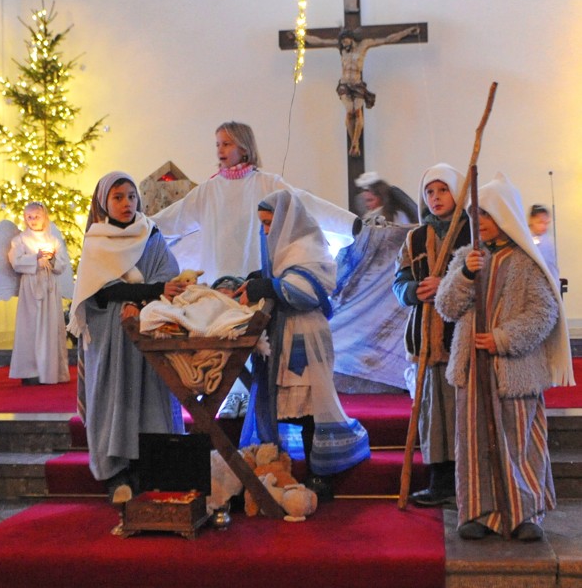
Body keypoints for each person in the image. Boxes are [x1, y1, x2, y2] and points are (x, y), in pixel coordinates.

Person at [152, 121, 359, 418]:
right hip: (219, 280)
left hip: (255, 279)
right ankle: (228, 396)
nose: (220, 150)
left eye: (227, 144)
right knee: (223, 340)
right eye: (217, 144)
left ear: (244, 147)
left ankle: (252, 397)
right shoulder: (208, 191)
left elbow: (303, 204)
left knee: (254, 341)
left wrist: (349, 223)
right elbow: (172, 218)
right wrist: (139, 227)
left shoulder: (267, 184)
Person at [436, 173, 574, 541]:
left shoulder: (527, 262)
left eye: (486, 213)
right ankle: (478, 511)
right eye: (475, 214)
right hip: (473, 369)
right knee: (475, 442)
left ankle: (524, 513)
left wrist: (502, 339)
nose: (478, 220)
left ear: (504, 214)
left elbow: (543, 313)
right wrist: (466, 274)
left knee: (518, 441)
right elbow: (446, 306)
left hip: (514, 368)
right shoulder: (466, 258)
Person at [237, 190, 370, 500]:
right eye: (262, 224)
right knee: (285, 405)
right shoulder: (282, 247)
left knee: (312, 408)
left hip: (306, 335)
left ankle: (320, 474)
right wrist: (255, 281)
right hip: (283, 335)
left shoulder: (309, 245)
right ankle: (279, 472)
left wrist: (266, 286)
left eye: (269, 223)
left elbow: (306, 292)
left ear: (286, 220)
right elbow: (277, 278)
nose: (265, 230)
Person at [67, 171, 187, 503]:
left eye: (131, 196)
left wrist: (140, 301)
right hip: (111, 337)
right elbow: (100, 292)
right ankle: (116, 473)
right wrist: (146, 292)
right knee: (114, 400)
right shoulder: (97, 241)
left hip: (149, 331)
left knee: (151, 399)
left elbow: (168, 275)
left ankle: (150, 466)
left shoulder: (151, 234)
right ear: (104, 202)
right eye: (118, 197)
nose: (126, 203)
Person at [392, 163, 470, 506]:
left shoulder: (472, 231)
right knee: (433, 411)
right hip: (425, 337)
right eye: (429, 192)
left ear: (457, 192)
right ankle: (440, 481)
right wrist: (413, 291)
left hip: (461, 336)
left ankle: (467, 480)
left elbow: (481, 281)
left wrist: (447, 285)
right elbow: (399, 280)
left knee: (460, 411)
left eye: (443, 190)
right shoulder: (416, 237)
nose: (435, 198)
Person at [305, 26, 420, 157]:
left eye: (345, 41)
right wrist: (302, 37)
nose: (343, 44)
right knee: (350, 111)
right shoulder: (341, 48)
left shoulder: (364, 45)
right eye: (342, 42)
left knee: (358, 112)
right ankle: (355, 144)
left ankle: (355, 144)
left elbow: (386, 39)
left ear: (351, 38)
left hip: (357, 84)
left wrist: (407, 32)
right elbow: (320, 41)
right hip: (344, 84)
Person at [4, 202, 71, 386]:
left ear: (44, 217)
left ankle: (52, 371)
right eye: (29, 217)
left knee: (50, 326)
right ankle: (31, 371)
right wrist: (35, 258)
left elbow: (62, 264)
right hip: (31, 287)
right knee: (31, 327)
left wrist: (52, 258)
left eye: (36, 216)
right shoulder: (20, 240)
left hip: (50, 287)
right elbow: (16, 261)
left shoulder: (53, 239)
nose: (33, 220)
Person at [528, 204, 559, 282]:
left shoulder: (547, 241)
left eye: (546, 223)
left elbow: (551, 266)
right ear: (531, 220)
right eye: (540, 222)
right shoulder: (525, 239)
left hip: (546, 281)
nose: (544, 227)